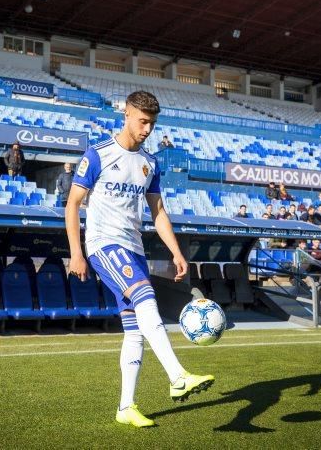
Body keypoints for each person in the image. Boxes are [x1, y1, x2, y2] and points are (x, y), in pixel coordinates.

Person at [65, 90, 213, 428]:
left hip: (133, 248)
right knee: (146, 298)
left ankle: (125, 408)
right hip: (104, 245)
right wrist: (76, 252)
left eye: (152, 123)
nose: (147, 129)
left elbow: (157, 211)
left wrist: (176, 251)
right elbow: (73, 204)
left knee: (134, 329)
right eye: (143, 121)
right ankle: (177, 376)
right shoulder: (98, 154)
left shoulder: (150, 163)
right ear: (127, 114)